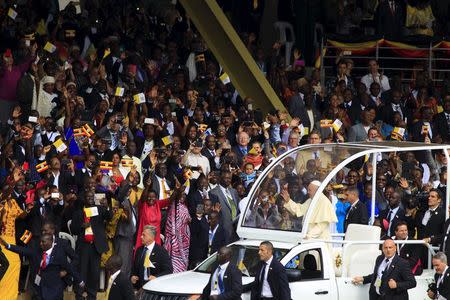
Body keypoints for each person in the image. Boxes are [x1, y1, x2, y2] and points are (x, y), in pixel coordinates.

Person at [1, 234, 82, 300]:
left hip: (55, 290)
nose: (41, 244)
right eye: (40, 242)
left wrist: (80, 281)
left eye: (43, 242)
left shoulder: (58, 255)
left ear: (51, 242)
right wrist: (8, 246)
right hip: (41, 287)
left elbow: (70, 269)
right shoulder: (37, 252)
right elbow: (23, 250)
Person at [70, 191, 112, 300]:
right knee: (82, 272)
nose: (90, 198)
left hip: (95, 246)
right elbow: (74, 229)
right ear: (84, 199)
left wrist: (107, 206)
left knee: (94, 273)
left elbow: (109, 217)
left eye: (91, 197)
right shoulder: (78, 212)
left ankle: (92, 296)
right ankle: (79, 295)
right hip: (83, 246)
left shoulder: (98, 209)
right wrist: (81, 226)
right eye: (87, 197)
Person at [352, 239, 416, 300]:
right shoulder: (379, 259)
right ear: (382, 249)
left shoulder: (402, 263)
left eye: (390, 247)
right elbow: (378, 275)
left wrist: (397, 285)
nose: (388, 250)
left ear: (395, 249)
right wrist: (363, 278)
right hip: (377, 297)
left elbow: (412, 282)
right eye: (386, 248)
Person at [131, 225, 173, 289]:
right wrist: (132, 276)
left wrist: (156, 277)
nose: (141, 237)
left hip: (155, 287)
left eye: (144, 235)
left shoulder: (161, 251)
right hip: (140, 287)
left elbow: (168, 270)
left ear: (151, 237)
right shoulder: (139, 250)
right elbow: (134, 268)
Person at [164, 191, 191, 273]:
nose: (183, 196)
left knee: (182, 264)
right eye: (181, 194)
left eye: (184, 195)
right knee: (174, 263)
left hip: (184, 239)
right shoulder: (174, 206)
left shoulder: (184, 207)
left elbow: (187, 219)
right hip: (174, 240)